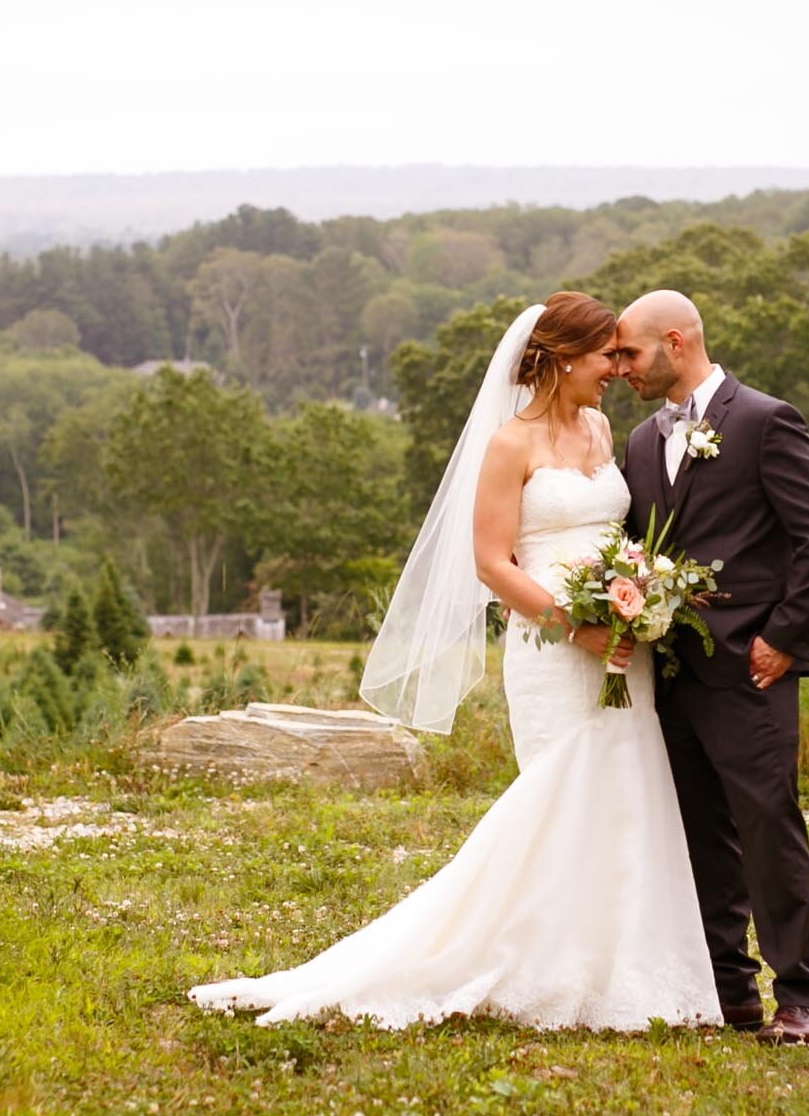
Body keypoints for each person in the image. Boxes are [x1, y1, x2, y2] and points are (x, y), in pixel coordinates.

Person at [189, 293, 721, 1031]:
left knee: (625, 791)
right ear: (564, 358)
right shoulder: (510, 444)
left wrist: (637, 598)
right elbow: (489, 563)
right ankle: (522, 958)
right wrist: (577, 627)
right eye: (606, 357)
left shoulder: (601, 429)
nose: (615, 370)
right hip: (555, 648)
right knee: (557, 797)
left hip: (621, 643)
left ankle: (616, 969)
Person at [612, 289, 809, 1045]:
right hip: (669, 675)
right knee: (697, 834)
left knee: (766, 827)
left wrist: (785, 636)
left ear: (675, 343)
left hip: (750, 671)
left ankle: (800, 997)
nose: (619, 367)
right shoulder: (641, 442)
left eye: (630, 353)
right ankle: (727, 989)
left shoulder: (763, 420)